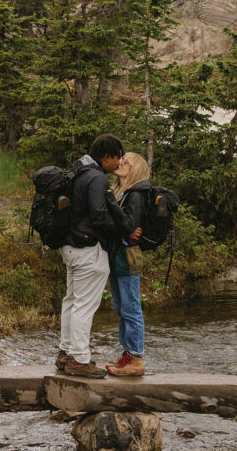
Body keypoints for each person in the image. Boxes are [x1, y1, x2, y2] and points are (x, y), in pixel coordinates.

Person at [55, 133, 125, 378]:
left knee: (72, 300)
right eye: (117, 158)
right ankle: (80, 359)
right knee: (84, 305)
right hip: (88, 249)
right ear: (106, 157)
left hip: (70, 246)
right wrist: (120, 231)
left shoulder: (78, 174)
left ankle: (65, 352)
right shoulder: (96, 178)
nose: (119, 163)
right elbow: (98, 214)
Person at [105, 151, 151, 377]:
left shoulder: (135, 195)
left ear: (135, 170)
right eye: (120, 158)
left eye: (126, 161)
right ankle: (128, 354)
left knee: (131, 308)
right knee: (121, 307)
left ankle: (135, 357)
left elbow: (129, 225)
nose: (120, 162)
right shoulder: (121, 192)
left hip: (127, 257)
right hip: (117, 256)